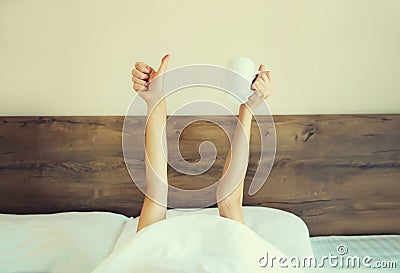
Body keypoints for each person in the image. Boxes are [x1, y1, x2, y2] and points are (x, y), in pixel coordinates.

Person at [131, 54, 272, 232]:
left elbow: (156, 195)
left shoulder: (149, 250)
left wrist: (155, 99)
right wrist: (248, 110)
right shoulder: (235, 248)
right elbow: (229, 202)